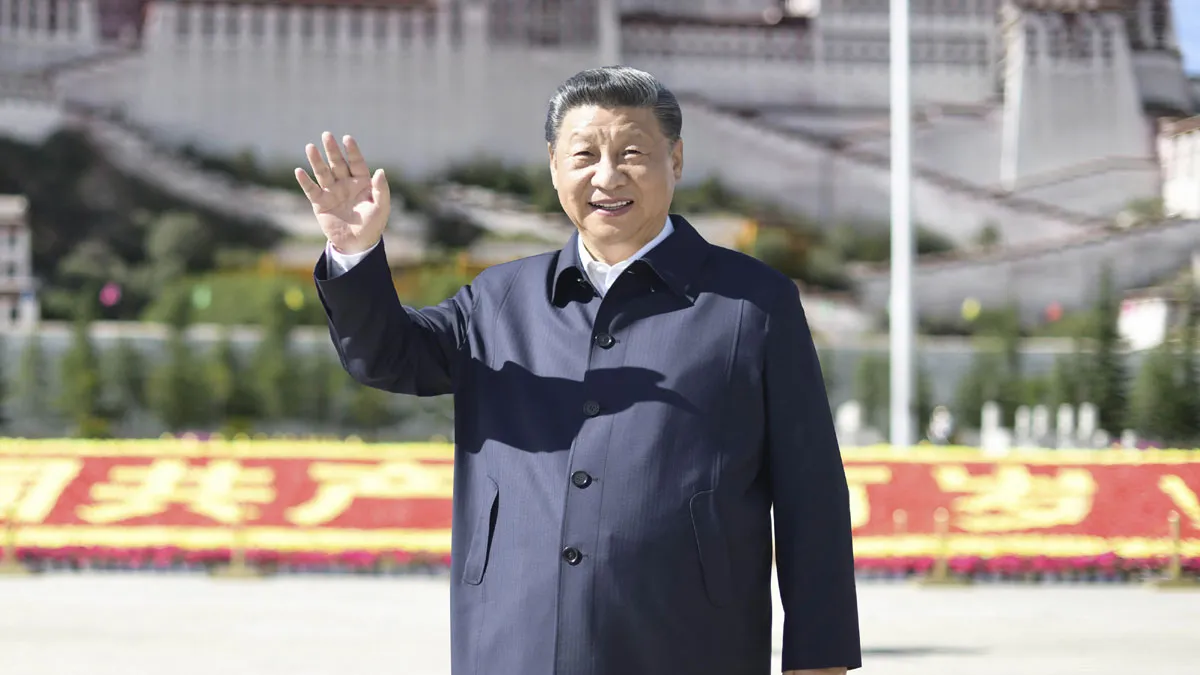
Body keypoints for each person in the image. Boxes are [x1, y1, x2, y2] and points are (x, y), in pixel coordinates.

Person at [299, 66, 861, 675]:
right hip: (513, 642)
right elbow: (387, 356)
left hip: (687, 644)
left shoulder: (753, 304)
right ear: (553, 166)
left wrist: (818, 661)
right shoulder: (500, 299)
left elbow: (811, 496)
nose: (607, 176)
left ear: (675, 159)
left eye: (632, 153)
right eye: (584, 155)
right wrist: (354, 251)